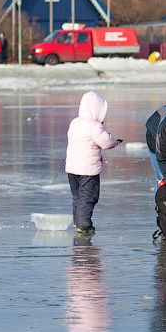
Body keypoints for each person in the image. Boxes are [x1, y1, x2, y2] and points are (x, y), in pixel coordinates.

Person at [65, 91, 122, 234]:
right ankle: (83, 223)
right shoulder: (94, 126)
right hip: (88, 170)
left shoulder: (75, 122)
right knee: (88, 196)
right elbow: (106, 142)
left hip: (72, 168)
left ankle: (77, 220)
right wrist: (115, 141)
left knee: (77, 195)